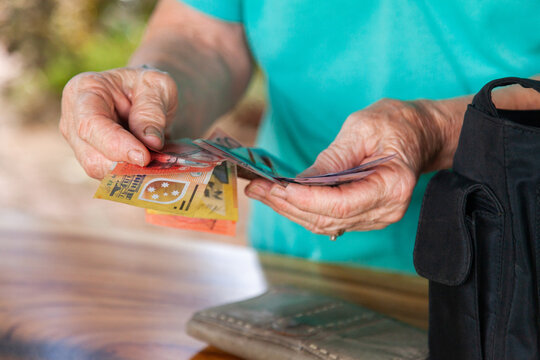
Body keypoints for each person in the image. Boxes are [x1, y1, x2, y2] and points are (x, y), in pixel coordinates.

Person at [60, 0, 540, 274]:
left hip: (514, 276)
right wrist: (146, 92)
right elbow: (205, 32)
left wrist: (439, 128)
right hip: (298, 265)